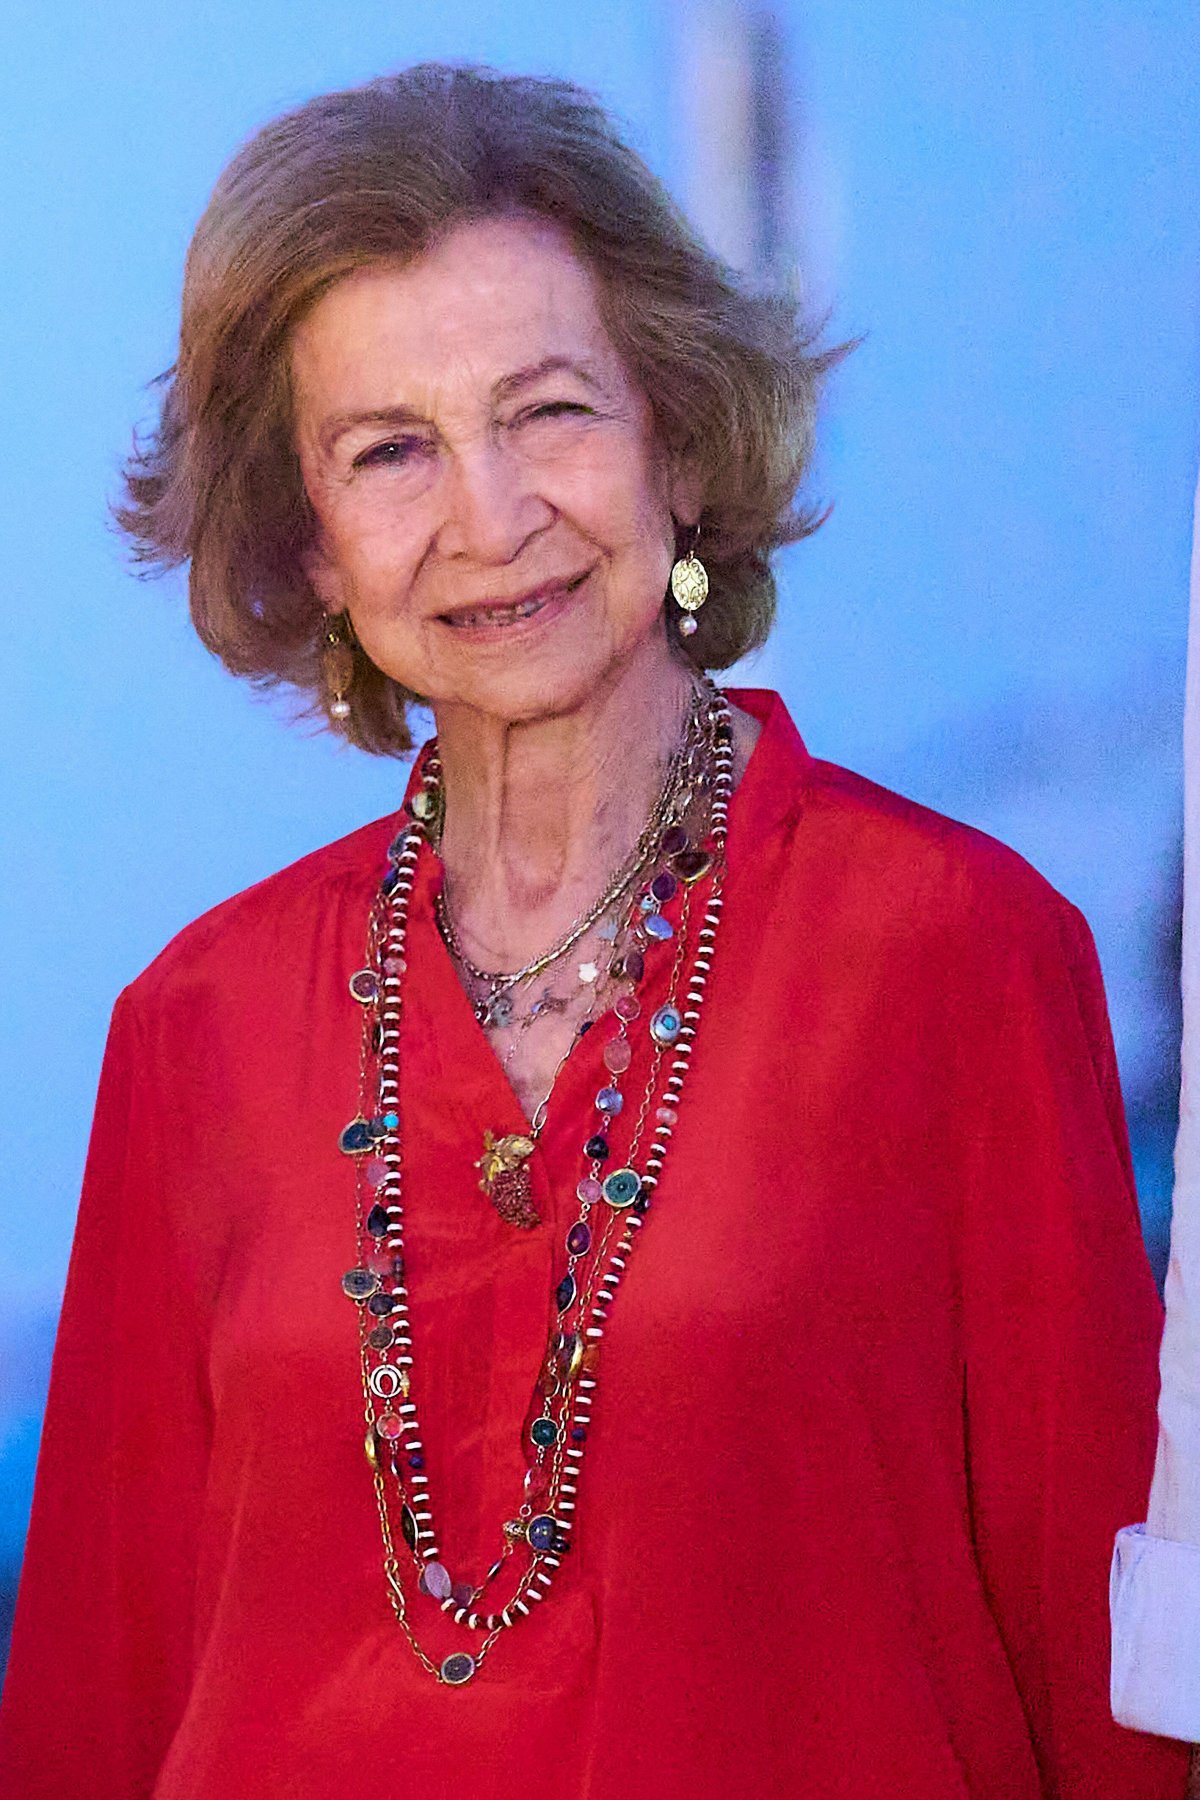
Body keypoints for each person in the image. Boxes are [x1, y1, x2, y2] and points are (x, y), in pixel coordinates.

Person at [0, 63, 1188, 1800]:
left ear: (684, 442)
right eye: (389, 450)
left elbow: (1107, 1679)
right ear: (312, 543)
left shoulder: (955, 951)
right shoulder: (198, 1021)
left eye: (550, 411)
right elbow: (93, 1709)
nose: (489, 518)